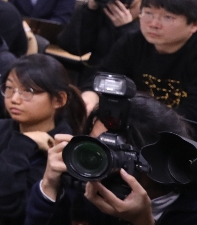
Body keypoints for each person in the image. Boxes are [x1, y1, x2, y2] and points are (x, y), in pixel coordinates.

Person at [0, 54, 87, 225]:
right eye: (9, 88)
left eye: (28, 91)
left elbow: (7, 204)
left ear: (59, 100)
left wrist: (22, 144)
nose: (14, 99)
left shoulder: (64, 150)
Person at [27, 94, 197, 225]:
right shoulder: (87, 187)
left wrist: (142, 222)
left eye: (115, 151)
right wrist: (48, 187)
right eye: (95, 145)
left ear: (160, 162)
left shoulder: (190, 211)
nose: (99, 159)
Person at [85, 0, 197, 123]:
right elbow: (104, 76)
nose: (154, 24)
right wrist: (91, 95)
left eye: (168, 17)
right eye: (148, 13)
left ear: (194, 24)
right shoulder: (133, 41)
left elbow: (191, 115)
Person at [56, 0, 151, 85]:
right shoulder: (102, 11)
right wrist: (90, 10)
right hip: (93, 82)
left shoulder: (151, 18)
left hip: (129, 85)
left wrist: (126, 28)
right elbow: (71, 47)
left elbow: (144, 61)